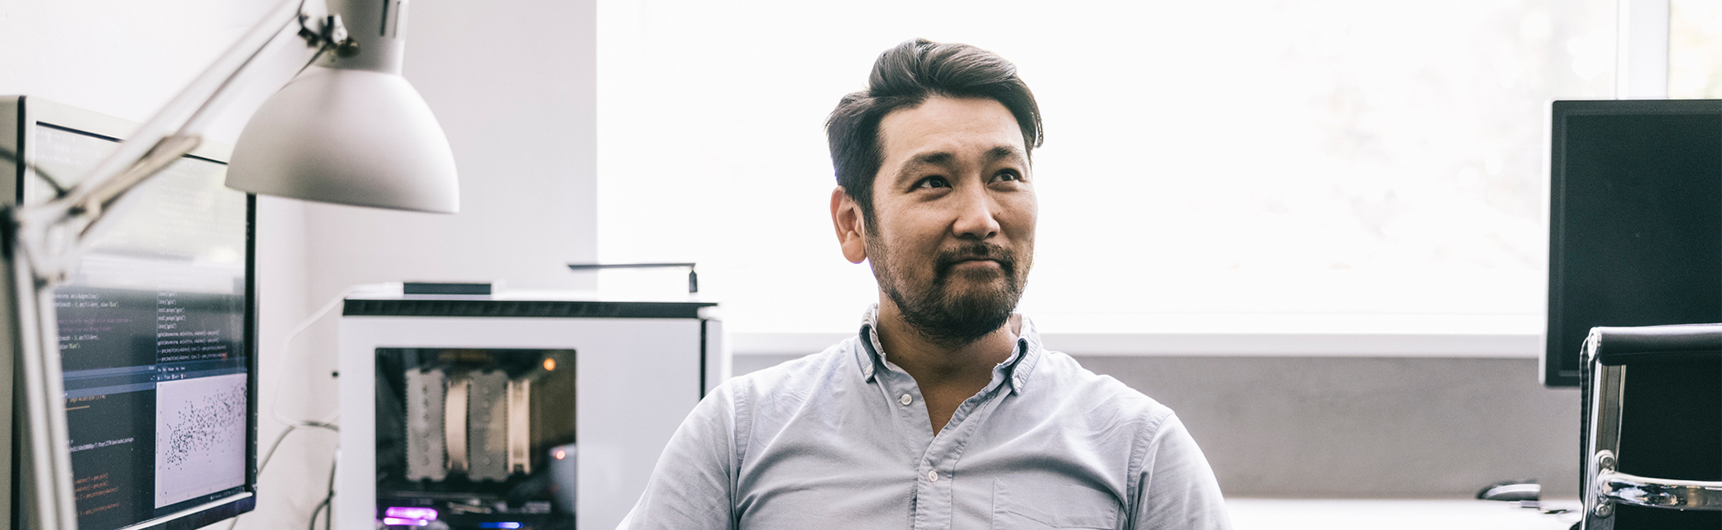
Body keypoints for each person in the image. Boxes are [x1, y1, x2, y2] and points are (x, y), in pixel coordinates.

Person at [619, 38, 1230, 530]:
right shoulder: (739, 434)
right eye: (934, 182)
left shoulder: (1138, 450)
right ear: (853, 223)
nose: (982, 218)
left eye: (1006, 176)